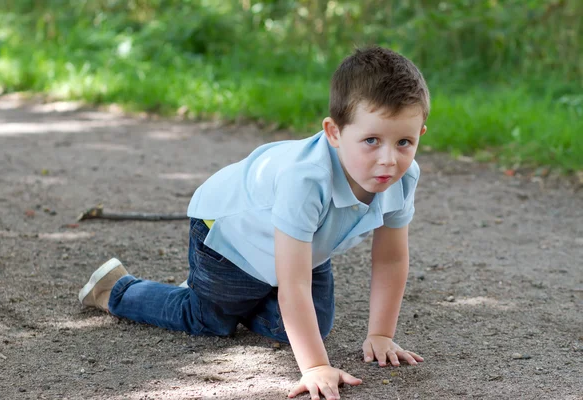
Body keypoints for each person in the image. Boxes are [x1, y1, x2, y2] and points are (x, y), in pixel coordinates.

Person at [78, 46, 429, 400]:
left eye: (404, 142)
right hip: (230, 239)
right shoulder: (306, 180)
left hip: (299, 249)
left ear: (420, 135)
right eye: (371, 140)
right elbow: (293, 282)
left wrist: (381, 334)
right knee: (211, 321)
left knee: (313, 327)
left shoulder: (404, 177)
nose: (388, 160)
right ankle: (117, 289)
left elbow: (390, 258)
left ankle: (237, 296)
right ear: (334, 133)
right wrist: (316, 367)